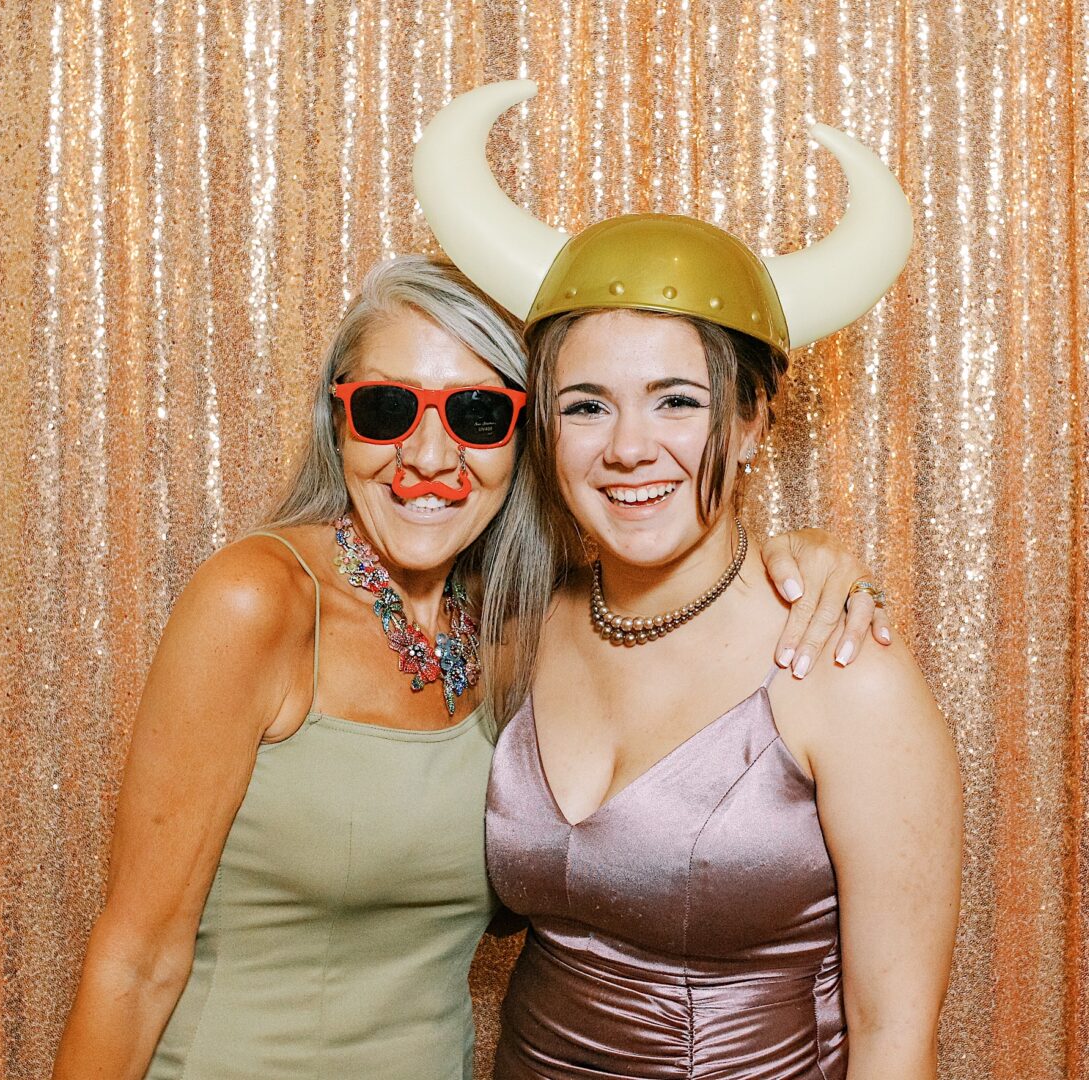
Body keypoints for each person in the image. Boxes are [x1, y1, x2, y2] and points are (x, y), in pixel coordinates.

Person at [51, 255, 887, 1080]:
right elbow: (134, 959)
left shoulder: (519, 632)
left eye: (478, 414)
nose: (425, 455)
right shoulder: (257, 603)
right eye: (384, 408)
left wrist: (810, 562)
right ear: (336, 422)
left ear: (528, 437)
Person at [415, 82, 963, 1078]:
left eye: (677, 400)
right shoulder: (521, 635)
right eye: (586, 406)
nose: (630, 449)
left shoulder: (843, 671)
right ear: (545, 430)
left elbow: (894, 1039)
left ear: (752, 422)